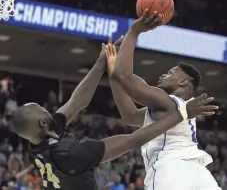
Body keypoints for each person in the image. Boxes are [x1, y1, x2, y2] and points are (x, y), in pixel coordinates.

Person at [9, 42, 217, 190]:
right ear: (43, 122)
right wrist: (134, 33)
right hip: (176, 170)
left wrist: (102, 65)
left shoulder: (40, 139)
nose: (51, 110)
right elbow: (133, 138)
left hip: (189, 167)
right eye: (44, 109)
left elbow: (78, 102)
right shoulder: (70, 152)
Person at [106, 9, 221, 190]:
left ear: (183, 81)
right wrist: (113, 74)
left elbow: (125, 77)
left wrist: (134, 31)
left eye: (170, 73)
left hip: (170, 170)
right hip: (200, 174)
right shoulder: (175, 109)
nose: (163, 75)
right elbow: (130, 115)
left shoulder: (167, 101)